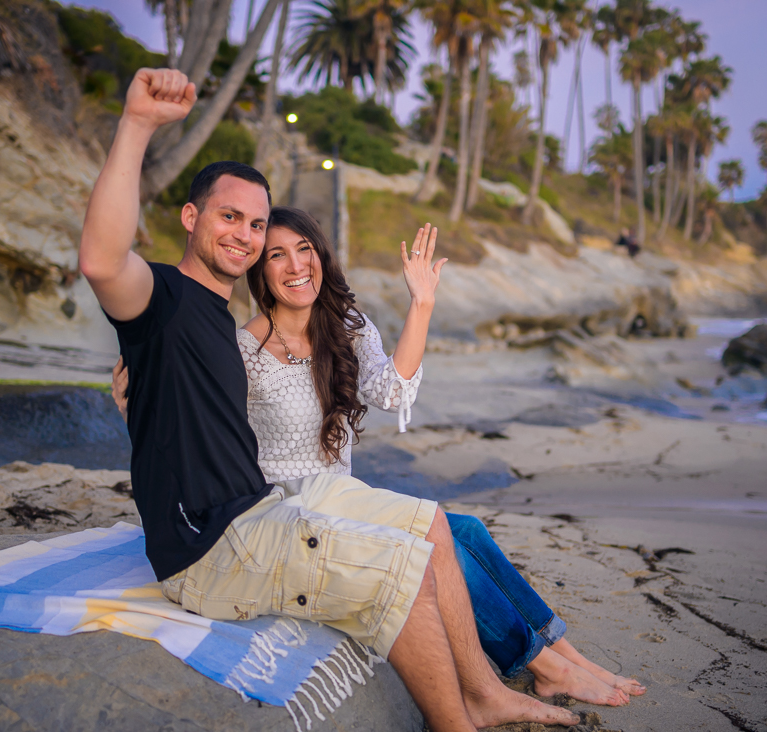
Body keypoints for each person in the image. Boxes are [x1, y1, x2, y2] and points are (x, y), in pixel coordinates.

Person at [79, 66, 579, 731]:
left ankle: (500, 683)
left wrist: (136, 408)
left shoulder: (217, 322)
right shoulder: (165, 299)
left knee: (441, 531)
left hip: (251, 517)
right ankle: (470, 711)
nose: (245, 234)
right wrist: (138, 125)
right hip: (215, 546)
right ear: (192, 217)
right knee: (406, 565)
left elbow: (191, 416)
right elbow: (104, 261)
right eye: (232, 218)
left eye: (257, 224)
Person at [114, 206, 645, 705]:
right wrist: (134, 410)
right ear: (260, 270)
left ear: (321, 255)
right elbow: (194, 431)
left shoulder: (346, 327)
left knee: (466, 533)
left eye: (305, 249)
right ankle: (544, 666)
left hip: (344, 495)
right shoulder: (242, 351)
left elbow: (391, 391)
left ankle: (563, 652)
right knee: (446, 551)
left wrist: (422, 304)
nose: (296, 266)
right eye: (276, 254)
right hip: (287, 508)